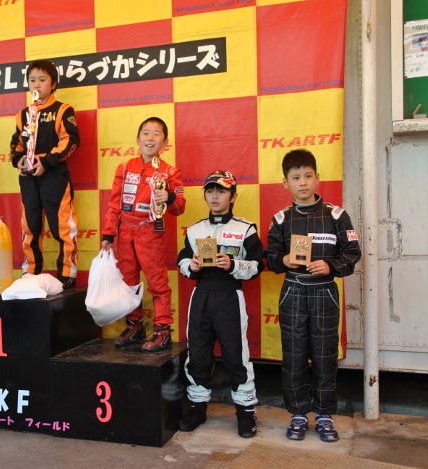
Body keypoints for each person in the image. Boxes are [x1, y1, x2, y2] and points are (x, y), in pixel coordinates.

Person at [264, 149, 361, 442]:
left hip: (324, 292)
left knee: (324, 355)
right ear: (286, 183)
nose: (303, 182)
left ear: (317, 178)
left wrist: (330, 265)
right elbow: (270, 257)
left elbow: (352, 253)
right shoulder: (281, 219)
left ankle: (324, 415)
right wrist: (285, 261)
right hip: (293, 290)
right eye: (296, 178)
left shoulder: (337, 215)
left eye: (308, 176)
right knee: (294, 356)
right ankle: (297, 414)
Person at [176, 170, 263, 438]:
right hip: (201, 295)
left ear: (233, 196)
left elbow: (258, 264)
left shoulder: (245, 228)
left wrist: (234, 264)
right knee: (198, 354)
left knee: (236, 356)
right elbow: (182, 259)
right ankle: (197, 408)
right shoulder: (194, 229)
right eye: (210, 191)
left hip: (229, 296)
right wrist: (190, 265)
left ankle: (245, 412)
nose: (215, 196)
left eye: (222, 191)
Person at [101, 117, 185, 352]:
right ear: (138, 139)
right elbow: (114, 204)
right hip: (124, 231)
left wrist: (169, 197)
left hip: (150, 231)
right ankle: (135, 326)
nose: (150, 138)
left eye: (156, 134)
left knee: (157, 283)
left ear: (165, 142)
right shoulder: (124, 167)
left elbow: (180, 208)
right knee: (128, 282)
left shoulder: (169, 172)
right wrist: (108, 234)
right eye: (146, 133)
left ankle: (162, 331)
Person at [9, 59, 80, 289]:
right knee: (30, 226)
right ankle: (31, 271)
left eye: (42, 80)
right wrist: (19, 161)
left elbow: (71, 141)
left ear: (53, 83)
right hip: (28, 177)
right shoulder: (23, 114)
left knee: (62, 226)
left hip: (53, 175)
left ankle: (67, 272)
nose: (36, 85)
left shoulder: (63, 110)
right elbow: (16, 143)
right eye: (32, 80)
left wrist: (46, 161)